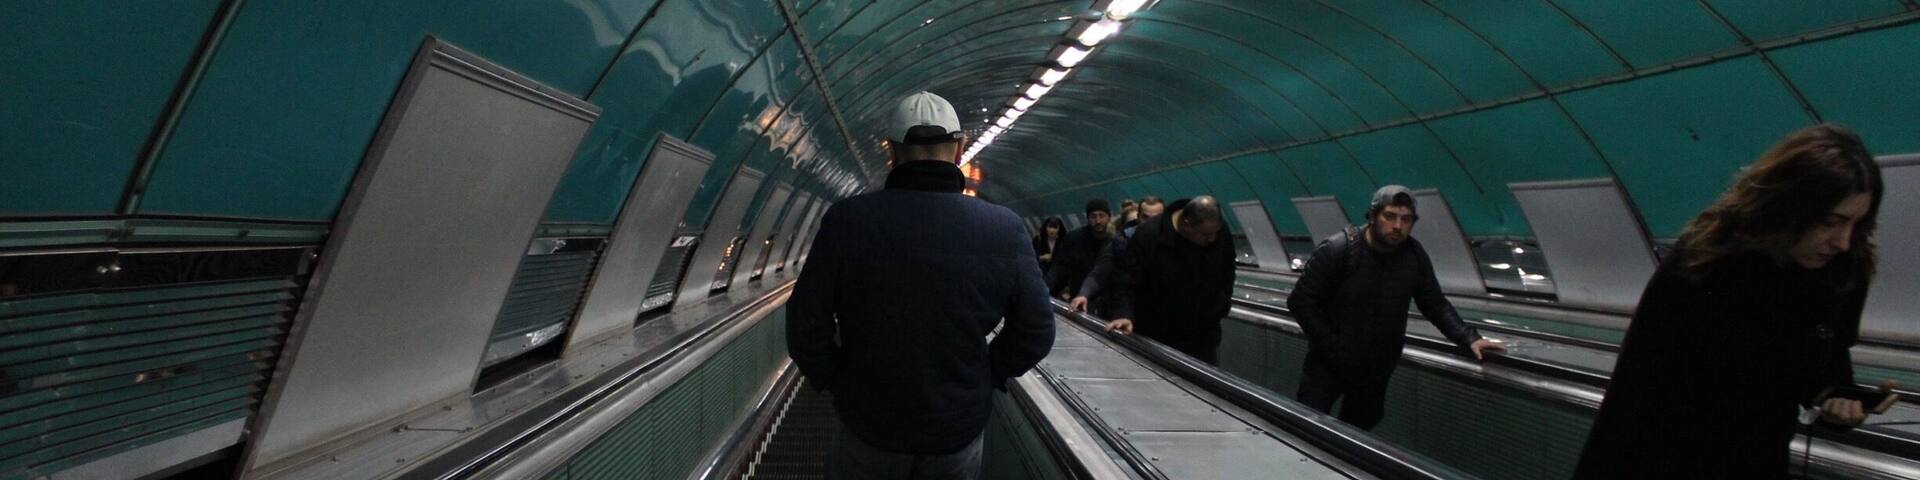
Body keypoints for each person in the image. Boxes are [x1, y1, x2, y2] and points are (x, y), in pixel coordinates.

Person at [1575, 124, 1894, 479]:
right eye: (1831, 222)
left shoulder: (1841, 275)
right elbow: (1634, 388)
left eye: (1856, 223)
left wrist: (1842, 402)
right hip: (1664, 462)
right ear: (1790, 206)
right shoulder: (1706, 261)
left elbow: (1828, 369)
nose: (1843, 242)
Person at [787, 92, 1053, 480]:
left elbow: (805, 322)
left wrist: (837, 379)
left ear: (891, 151)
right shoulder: (1003, 228)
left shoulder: (848, 221)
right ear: (960, 148)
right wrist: (987, 374)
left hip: (868, 422)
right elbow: (1036, 329)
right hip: (956, 429)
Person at [1286, 185, 1505, 430]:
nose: (1397, 226)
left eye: (1406, 219)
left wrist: (1469, 338)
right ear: (1372, 217)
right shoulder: (1339, 249)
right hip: (1326, 366)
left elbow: (1434, 304)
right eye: (1389, 217)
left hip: (1375, 370)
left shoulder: (1413, 256)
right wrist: (1331, 345)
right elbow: (1300, 301)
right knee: (1309, 429)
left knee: (1358, 439)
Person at [1097, 197, 1238, 364]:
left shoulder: (1218, 231)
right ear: (1186, 224)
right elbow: (1126, 277)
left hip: (1203, 333)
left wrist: (1221, 305)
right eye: (1206, 235)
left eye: (1216, 233)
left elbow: (1227, 271)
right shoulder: (1149, 235)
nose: (1212, 239)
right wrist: (1123, 314)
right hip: (1156, 331)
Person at [1046, 199, 1113, 300]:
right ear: (1088, 218)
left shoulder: (1115, 240)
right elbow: (1059, 267)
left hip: (1107, 298)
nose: (1098, 221)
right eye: (1093, 216)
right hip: (1079, 295)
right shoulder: (1074, 239)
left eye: (1101, 216)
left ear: (1109, 217)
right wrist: (1045, 287)